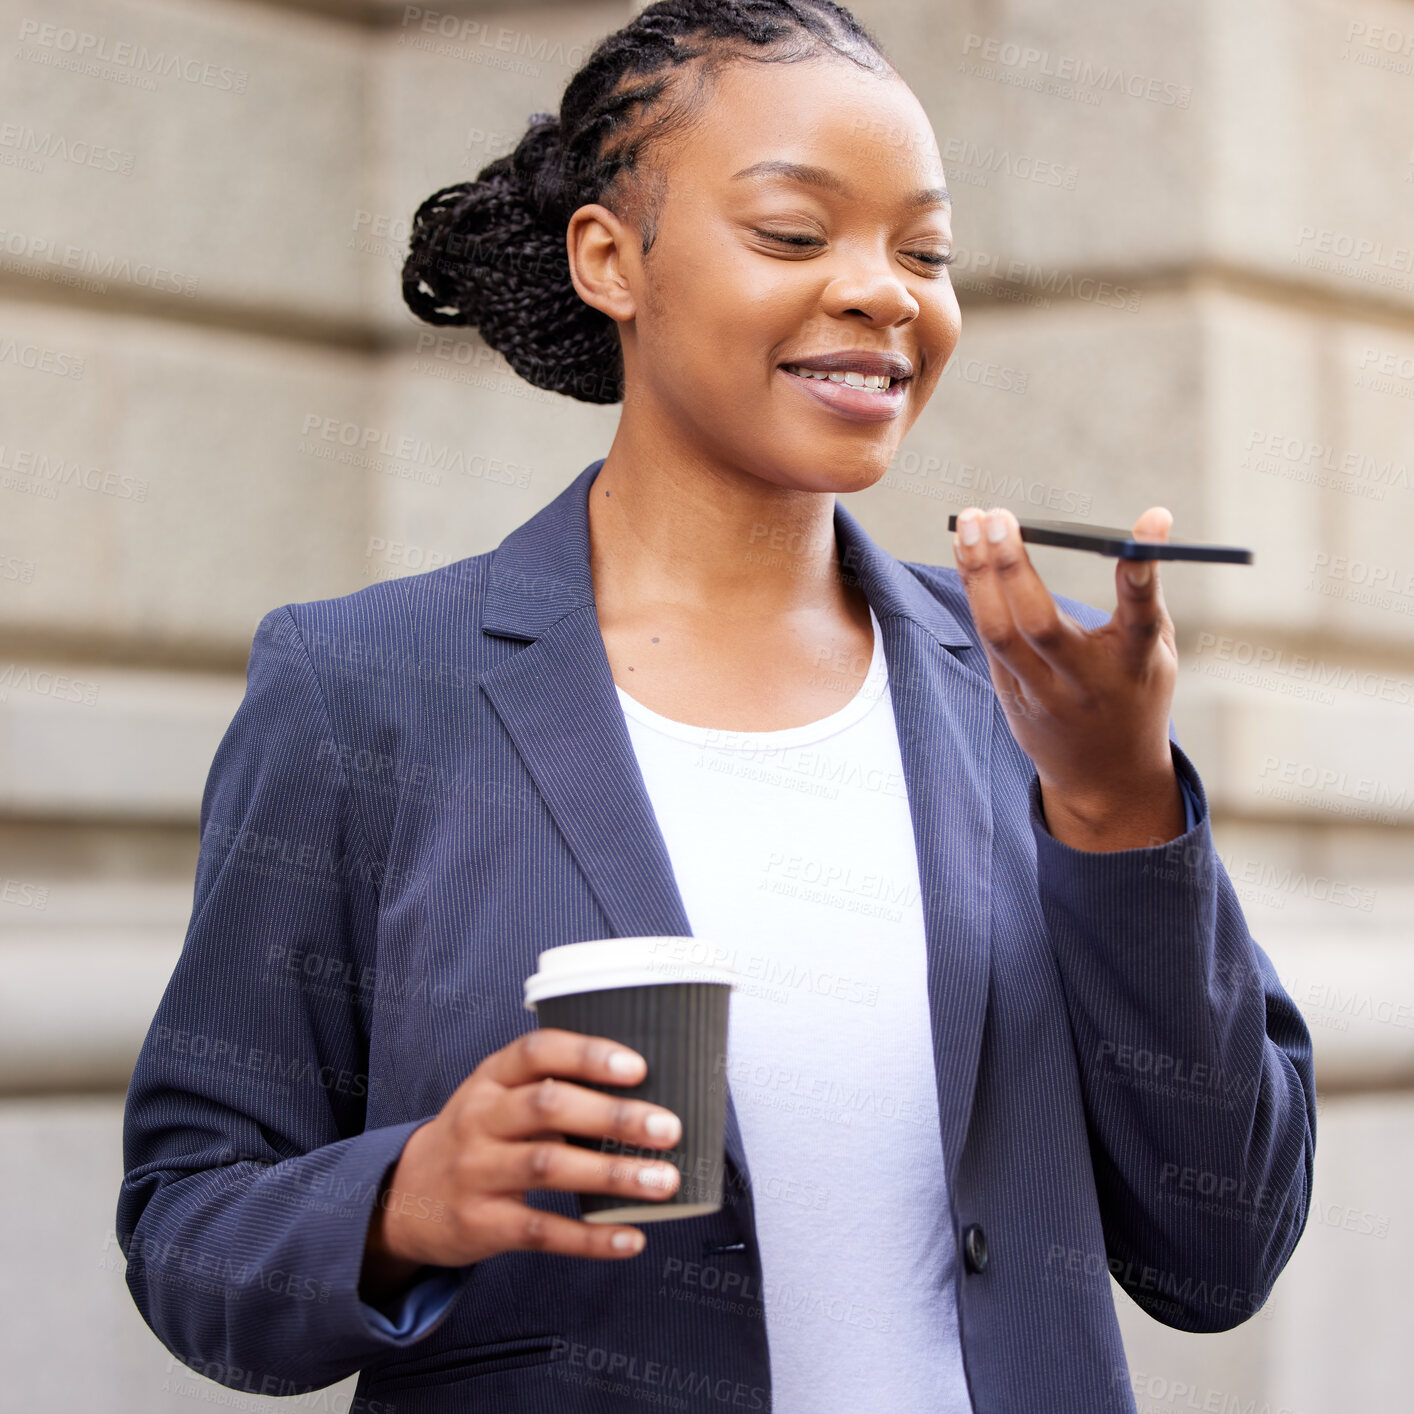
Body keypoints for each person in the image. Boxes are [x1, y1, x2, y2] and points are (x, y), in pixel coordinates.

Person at [117, 2, 1316, 1411]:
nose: (885, 292)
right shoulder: (365, 688)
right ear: (610, 260)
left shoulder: (1025, 688)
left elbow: (1218, 1247)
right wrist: (404, 1198)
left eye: (924, 250)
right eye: (795, 236)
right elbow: (189, 1224)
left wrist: (1117, 810)